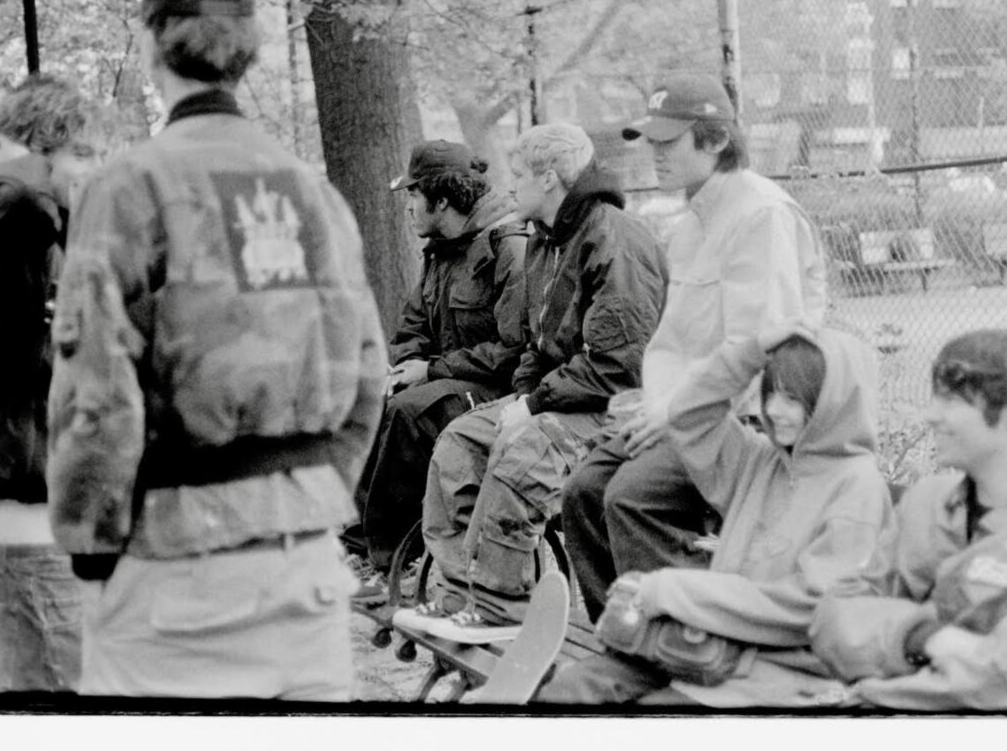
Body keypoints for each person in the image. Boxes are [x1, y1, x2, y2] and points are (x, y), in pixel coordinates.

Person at [45, 0, 387, 701]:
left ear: (152, 43)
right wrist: (315, 488)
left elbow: (96, 397)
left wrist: (89, 548)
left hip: (176, 574)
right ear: (250, 50)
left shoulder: (129, 186)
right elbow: (369, 374)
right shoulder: (312, 191)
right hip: (309, 570)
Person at [561, 74, 829, 621]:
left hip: (745, 423)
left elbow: (761, 353)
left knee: (630, 497)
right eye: (651, 142)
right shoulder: (691, 225)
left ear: (715, 141)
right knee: (583, 491)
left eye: (669, 142)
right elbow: (669, 345)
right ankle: (625, 637)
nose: (655, 155)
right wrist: (657, 409)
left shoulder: (762, 215)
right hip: (681, 414)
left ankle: (705, 629)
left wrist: (676, 411)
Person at [394, 122, 668, 644]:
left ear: (548, 178)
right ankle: (460, 594)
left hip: (617, 408)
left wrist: (536, 403)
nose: (508, 185)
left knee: (524, 452)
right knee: (461, 441)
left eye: (517, 174)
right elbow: (534, 345)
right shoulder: (546, 239)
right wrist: (523, 396)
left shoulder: (614, 240)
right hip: (562, 397)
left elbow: (620, 366)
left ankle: (502, 606)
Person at [537, 319, 892, 704]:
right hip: (701, 650)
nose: (774, 410)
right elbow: (688, 414)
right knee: (566, 693)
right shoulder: (760, 461)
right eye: (771, 394)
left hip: (780, 676)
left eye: (793, 399)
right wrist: (750, 350)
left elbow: (809, 606)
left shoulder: (856, 486)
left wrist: (673, 591)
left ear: (832, 401)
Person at [807, 330, 1007, 711]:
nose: (929, 415)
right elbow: (833, 618)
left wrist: (874, 677)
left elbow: (998, 682)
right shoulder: (927, 502)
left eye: (949, 400)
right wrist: (922, 636)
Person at [344, 140, 528, 604]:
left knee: (410, 412)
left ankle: (391, 560)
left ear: (441, 201)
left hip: (500, 391)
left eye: (413, 196)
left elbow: (515, 349)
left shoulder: (508, 246)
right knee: (374, 397)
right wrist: (406, 365)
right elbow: (412, 326)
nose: (408, 207)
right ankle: (358, 541)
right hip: (446, 380)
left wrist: (429, 371)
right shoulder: (440, 251)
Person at [0, 74, 103, 506]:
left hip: (58, 473)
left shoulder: (61, 235)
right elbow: (20, 206)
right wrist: (20, 173)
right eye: (82, 154)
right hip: (21, 479)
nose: (96, 169)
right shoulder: (12, 225)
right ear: (33, 158)